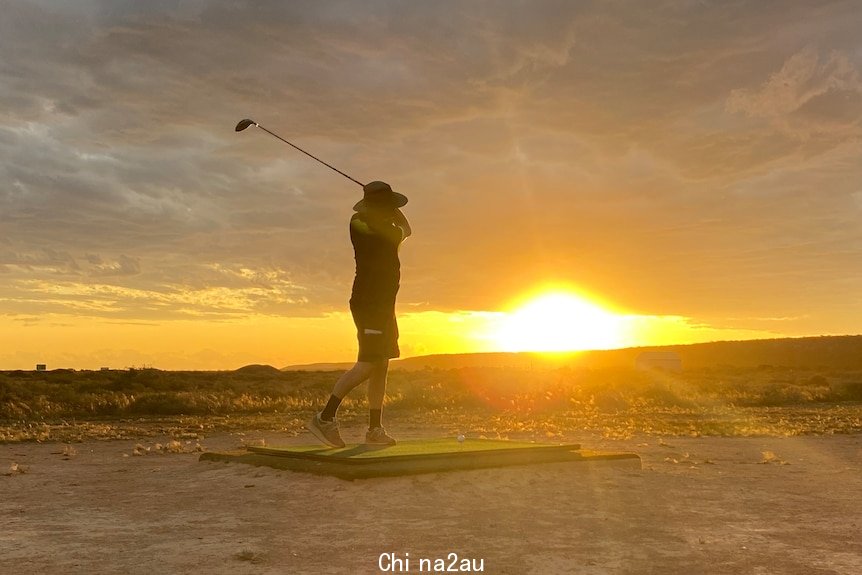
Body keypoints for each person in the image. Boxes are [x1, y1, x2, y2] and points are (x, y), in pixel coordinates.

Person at [306, 181, 411, 447]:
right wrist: (388, 208)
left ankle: (375, 430)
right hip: (369, 304)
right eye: (389, 206)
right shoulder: (361, 224)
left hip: (384, 305)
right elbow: (401, 228)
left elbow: (406, 230)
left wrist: (386, 206)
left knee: (381, 365)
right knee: (368, 364)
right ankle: (325, 417)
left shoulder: (384, 225)